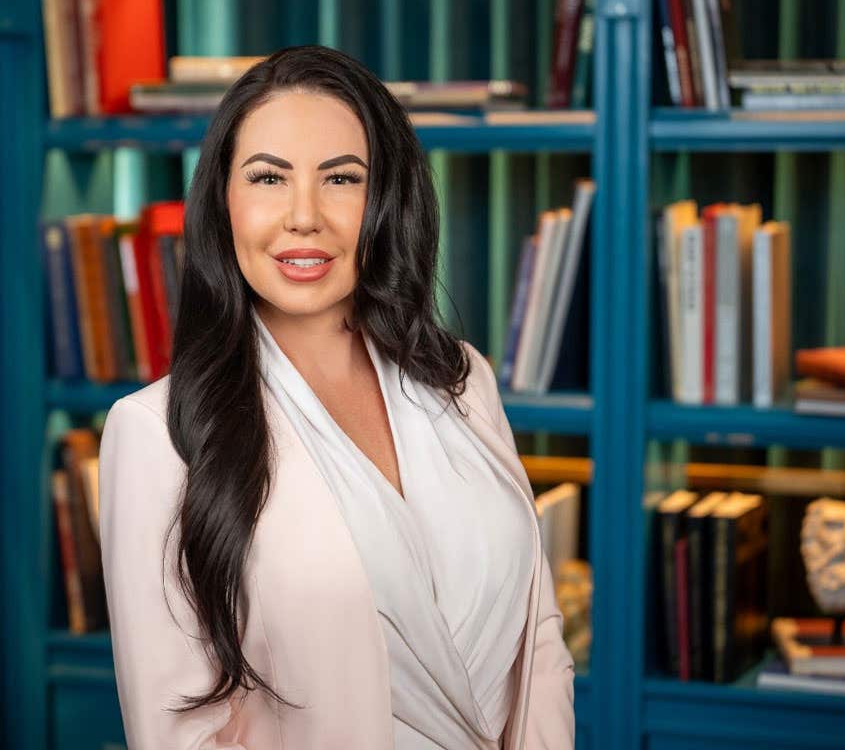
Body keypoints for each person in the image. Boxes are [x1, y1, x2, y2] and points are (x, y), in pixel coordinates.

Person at [98, 44, 575, 749]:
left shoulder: (463, 379)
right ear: (223, 201)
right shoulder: (153, 434)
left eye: (342, 178)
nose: (304, 216)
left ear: (387, 200)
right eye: (268, 177)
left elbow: (539, 643)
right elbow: (179, 735)